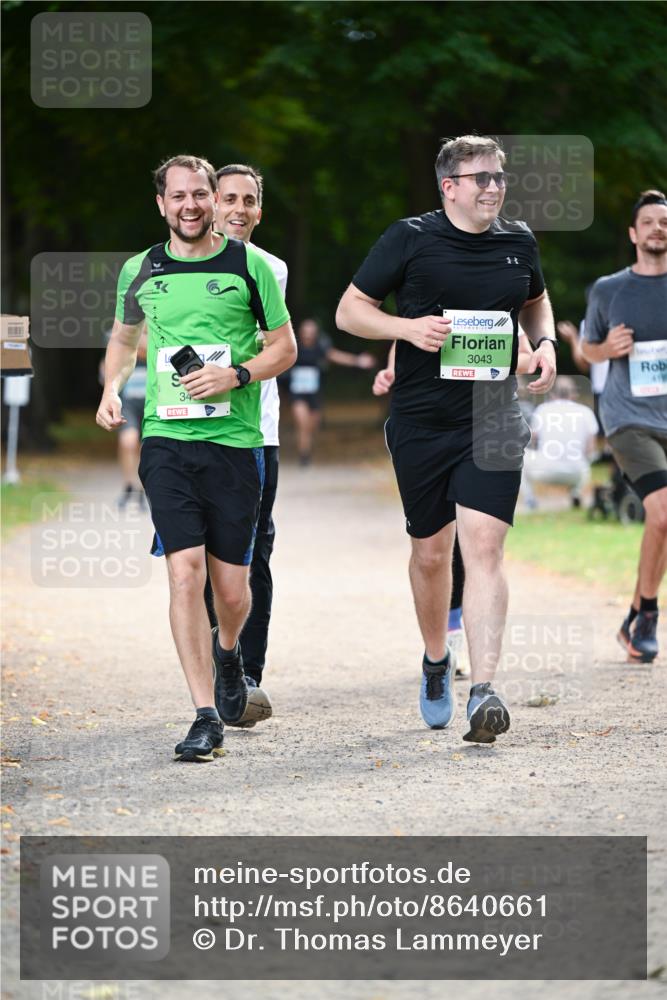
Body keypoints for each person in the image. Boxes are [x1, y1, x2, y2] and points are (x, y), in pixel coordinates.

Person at [337, 134, 557, 742]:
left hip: (492, 416)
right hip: (422, 420)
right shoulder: (410, 237)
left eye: (499, 177)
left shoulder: (519, 241)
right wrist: (407, 328)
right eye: (480, 177)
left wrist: (545, 345)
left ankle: (484, 689)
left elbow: (537, 304)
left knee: (483, 548)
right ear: (450, 186)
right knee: (432, 554)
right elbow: (350, 311)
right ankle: (437, 658)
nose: (493, 187)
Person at [96, 154, 296, 762]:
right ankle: (205, 713)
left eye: (200, 194)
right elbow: (124, 340)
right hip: (166, 440)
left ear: (213, 199)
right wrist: (110, 387)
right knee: (185, 571)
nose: (189, 205)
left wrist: (234, 374)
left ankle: (230, 652)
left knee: (232, 592)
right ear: (161, 203)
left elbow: (282, 349)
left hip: (235, 444)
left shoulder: (250, 266)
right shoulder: (141, 268)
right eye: (177, 195)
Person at [373, 335, 536, 679]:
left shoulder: (497, 301)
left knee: (477, 542)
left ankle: (462, 646)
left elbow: (526, 358)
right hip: (426, 427)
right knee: (434, 550)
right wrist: (392, 370)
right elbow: (403, 341)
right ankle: (439, 652)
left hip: (485, 420)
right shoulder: (429, 298)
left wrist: (483, 360)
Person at [200, 162, 289, 727]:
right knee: (199, 556)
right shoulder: (173, 265)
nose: (238, 209)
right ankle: (215, 664)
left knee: (254, 552)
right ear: (208, 203)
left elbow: (270, 342)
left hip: (259, 430)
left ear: (259, 210)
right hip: (190, 431)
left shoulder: (270, 267)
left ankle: (245, 673)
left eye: (248, 200)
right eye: (228, 198)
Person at [582, 189, 667, 664]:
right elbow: (586, 350)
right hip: (628, 416)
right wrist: (607, 348)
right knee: (662, 513)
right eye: (650, 222)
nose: (659, 228)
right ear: (634, 234)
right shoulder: (608, 289)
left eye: (665, 222)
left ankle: (633, 618)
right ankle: (650, 614)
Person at [289, 317, 376, 465]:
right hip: (298, 393)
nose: (308, 335)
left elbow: (337, 356)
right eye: (306, 331)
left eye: (311, 332)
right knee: (302, 423)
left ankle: (308, 446)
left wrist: (358, 361)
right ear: (301, 332)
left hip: (314, 394)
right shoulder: (294, 348)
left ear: (315, 333)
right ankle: (304, 456)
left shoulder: (320, 348)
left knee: (312, 425)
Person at [522, 375, 599, 509]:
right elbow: (591, 449)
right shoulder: (586, 412)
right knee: (589, 458)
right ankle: (576, 491)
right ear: (574, 394)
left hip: (545, 471)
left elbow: (531, 440)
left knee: (519, 455)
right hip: (577, 472)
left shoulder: (543, 410)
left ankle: (530, 499)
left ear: (552, 393)